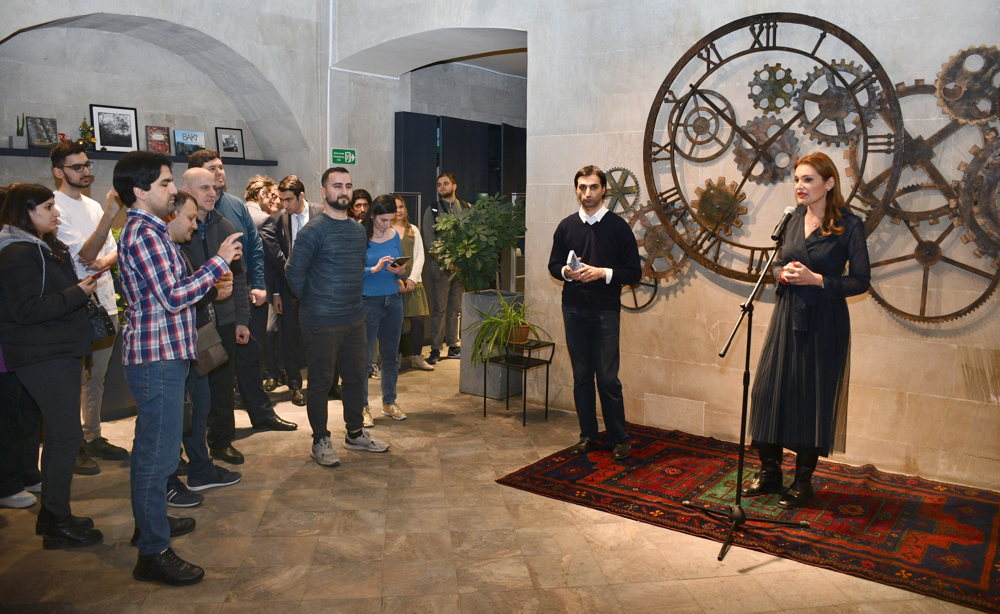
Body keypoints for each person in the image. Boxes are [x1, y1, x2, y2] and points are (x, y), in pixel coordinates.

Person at [115, 151, 242, 585]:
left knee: (155, 449)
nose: (173, 191)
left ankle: (149, 524)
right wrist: (219, 262)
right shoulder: (144, 234)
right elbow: (173, 296)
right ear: (140, 190)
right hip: (157, 358)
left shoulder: (150, 230)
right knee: (158, 454)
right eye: (166, 183)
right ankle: (153, 552)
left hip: (163, 353)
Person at [742, 152, 871, 509]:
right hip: (787, 317)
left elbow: (861, 280)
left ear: (829, 183)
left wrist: (818, 280)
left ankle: (802, 481)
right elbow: (777, 263)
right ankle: (770, 473)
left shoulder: (849, 224)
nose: (800, 186)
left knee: (811, 398)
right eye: (797, 179)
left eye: (808, 179)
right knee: (767, 391)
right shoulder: (792, 219)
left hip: (824, 321)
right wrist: (781, 274)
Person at [0, 183, 103, 548]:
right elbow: (26, 309)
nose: (56, 212)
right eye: (47, 207)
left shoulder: (37, 247)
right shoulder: (17, 252)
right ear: (26, 212)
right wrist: (78, 293)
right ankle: (57, 520)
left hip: (54, 351)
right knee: (66, 436)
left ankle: (52, 515)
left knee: (63, 434)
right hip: (43, 354)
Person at [285, 167, 389, 467]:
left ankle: (355, 433)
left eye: (348, 186)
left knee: (356, 378)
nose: (343, 191)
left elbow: (356, 268)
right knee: (320, 382)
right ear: (324, 191)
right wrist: (315, 301)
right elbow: (293, 273)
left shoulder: (357, 230)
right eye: (337, 186)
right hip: (320, 320)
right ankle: (320, 439)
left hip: (354, 317)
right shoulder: (313, 231)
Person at [547, 165, 641, 461]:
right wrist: (566, 272)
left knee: (608, 378)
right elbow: (553, 265)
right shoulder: (566, 226)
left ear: (604, 190)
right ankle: (588, 436)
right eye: (582, 187)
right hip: (573, 308)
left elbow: (634, 273)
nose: (587, 193)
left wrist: (602, 273)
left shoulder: (618, 227)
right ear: (576, 190)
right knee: (582, 377)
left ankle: (619, 438)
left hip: (605, 311)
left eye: (593, 187)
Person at [50, 142, 130, 475]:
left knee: (97, 377)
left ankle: (92, 435)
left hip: (105, 301)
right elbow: (82, 255)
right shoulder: (54, 206)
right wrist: (109, 218)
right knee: (73, 380)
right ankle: (71, 445)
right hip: (75, 304)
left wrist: (102, 260)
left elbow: (115, 250)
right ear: (58, 171)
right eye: (77, 167)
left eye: (87, 165)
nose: (85, 172)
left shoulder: (94, 205)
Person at [260, 175, 323, 407]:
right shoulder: (278, 219)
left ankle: (323, 384)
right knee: (289, 339)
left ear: (301, 196)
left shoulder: (320, 214)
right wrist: (276, 293)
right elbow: (274, 262)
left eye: (288, 200)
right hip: (288, 289)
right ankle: (295, 386)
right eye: (281, 199)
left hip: (318, 288)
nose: (284, 204)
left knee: (320, 338)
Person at [362, 195, 409, 426]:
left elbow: (402, 269)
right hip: (368, 301)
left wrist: (400, 270)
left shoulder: (394, 235)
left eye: (391, 220)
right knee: (364, 357)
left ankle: (389, 401)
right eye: (383, 220)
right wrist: (375, 268)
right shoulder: (361, 236)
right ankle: (362, 406)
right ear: (373, 215)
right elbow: (351, 270)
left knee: (390, 356)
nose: (387, 225)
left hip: (393, 299)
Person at [421, 173, 469, 364]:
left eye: (446, 183)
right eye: (439, 184)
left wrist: (462, 262)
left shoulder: (466, 208)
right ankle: (435, 348)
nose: (442, 187)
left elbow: (471, 236)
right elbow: (429, 240)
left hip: (461, 268)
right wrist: (447, 261)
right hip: (440, 268)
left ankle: (454, 345)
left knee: (456, 309)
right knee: (439, 310)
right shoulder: (432, 209)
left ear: (454, 186)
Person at [391, 194, 433, 372]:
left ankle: (417, 356)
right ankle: (396, 357)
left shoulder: (413, 229)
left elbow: (420, 256)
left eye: (401, 207)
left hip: (413, 283)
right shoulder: (386, 230)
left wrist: (412, 279)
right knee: (396, 322)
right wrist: (398, 280)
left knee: (418, 320)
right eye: (395, 207)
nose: (398, 210)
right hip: (394, 283)